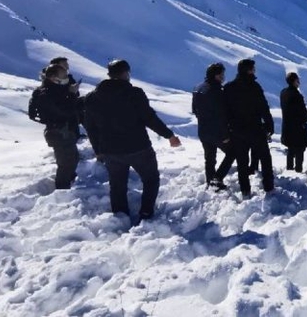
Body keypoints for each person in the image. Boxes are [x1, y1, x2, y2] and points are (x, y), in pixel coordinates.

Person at [84, 59, 181, 220]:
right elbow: (149, 118)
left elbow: (90, 127)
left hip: (110, 150)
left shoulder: (92, 98)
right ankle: (146, 212)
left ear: (109, 75)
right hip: (138, 147)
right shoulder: (135, 94)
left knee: (117, 186)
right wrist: (169, 135)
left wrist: (98, 150)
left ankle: (120, 217)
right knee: (150, 180)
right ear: (126, 73)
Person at [223, 59, 275, 197]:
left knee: (242, 160)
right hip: (255, 128)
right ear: (249, 70)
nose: (254, 71)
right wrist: (269, 124)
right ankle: (269, 186)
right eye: (253, 69)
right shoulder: (254, 86)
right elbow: (264, 107)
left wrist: (228, 128)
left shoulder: (229, 87)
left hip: (237, 130)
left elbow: (225, 110)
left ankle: (245, 189)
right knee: (265, 157)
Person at [28, 63, 80, 189]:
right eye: (63, 75)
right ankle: (62, 190)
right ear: (52, 77)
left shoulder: (53, 90)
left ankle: (68, 183)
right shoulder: (47, 94)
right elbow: (65, 110)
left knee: (72, 159)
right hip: (59, 132)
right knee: (66, 163)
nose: (66, 77)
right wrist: (72, 94)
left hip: (62, 131)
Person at [192, 62, 232, 190]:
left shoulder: (198, 88)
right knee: (232, 152)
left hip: (203, 130)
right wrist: (225, 134)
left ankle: (210, 182)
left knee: (209, 158)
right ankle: (217, 178)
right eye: (222, 74)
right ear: (216, 75)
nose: (223, 77)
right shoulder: (216, 91)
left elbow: (195, 110)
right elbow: (221, 115)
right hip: (217, 132)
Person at [280, 72, 307, 172]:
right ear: (294, 81)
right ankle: (298, 170)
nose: (299, 82)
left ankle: (289, 169)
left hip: (287, 125)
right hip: (297, 127)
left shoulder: (283, 93)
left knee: (291, 149)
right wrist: (304, 119)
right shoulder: (297, 96)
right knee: (299, 149)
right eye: (298, 80)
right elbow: (302, 113)